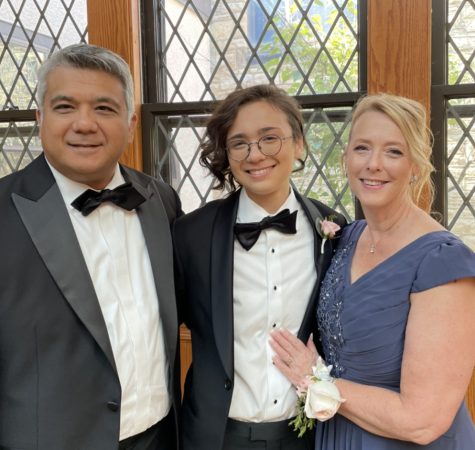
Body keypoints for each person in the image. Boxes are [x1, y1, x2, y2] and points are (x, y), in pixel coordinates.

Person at [0, 44, 182, 450]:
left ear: (131, 123)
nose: (85, 124)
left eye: (104, 108)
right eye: (65, 107)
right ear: (40, 117)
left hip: (160, 437)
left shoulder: (161, 200)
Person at [270, 93, 475, 449]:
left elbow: (422, 422)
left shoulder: (443, 262)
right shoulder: (344, 237)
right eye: (362, 148)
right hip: (339, 433)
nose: (374, 164)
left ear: (415, 165)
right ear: (346, 157)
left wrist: (316, 380)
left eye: (393, 152)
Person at [173, 84, 347, 450]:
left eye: (270, 138)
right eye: (239, 143)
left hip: (305, 436)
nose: (255, 155)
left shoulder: (333, 230)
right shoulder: (190, 234)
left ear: (298, 143)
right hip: (215, 436)